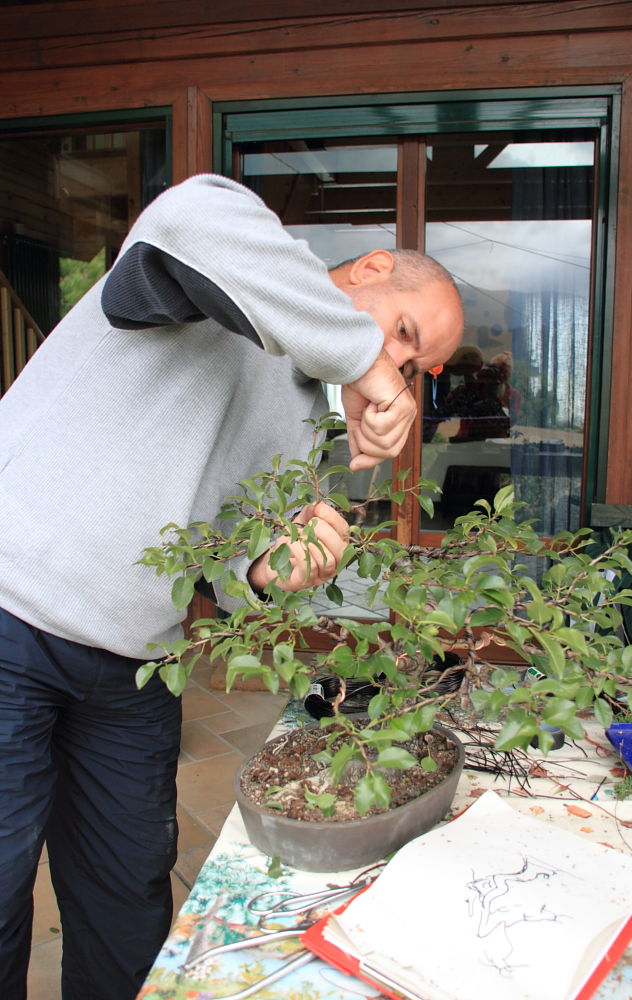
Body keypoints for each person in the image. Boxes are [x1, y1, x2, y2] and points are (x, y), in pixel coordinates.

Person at [0, 173, 463, 1000]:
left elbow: (223, 555)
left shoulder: (305, 423)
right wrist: (366, 362)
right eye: (402, 334)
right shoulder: (232, 272)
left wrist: (265, 568)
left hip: (134, 665)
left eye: (412, 366)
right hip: (10, 617)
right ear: (369, 267)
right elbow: (191, 213)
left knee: (127, 901)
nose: (396, 368)